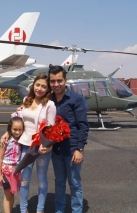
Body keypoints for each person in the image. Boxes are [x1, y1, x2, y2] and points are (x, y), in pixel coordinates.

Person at [0, 74, 56, 213]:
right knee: (24, 179)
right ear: (33, 85)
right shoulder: (26, 100)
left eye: (44, 86)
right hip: (25, 145)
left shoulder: (49, 104)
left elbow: (51, 128)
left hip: (41, 147)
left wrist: (49, 147)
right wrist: (8, 132)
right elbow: (18, 120)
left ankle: (40, 209)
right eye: (38, 85)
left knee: (42, 178)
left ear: (48, 88)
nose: (40, 88)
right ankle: (24, 210)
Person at [48, 64, 90, 213]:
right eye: (52, 81)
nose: (56, 84)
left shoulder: (76, 99)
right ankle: (59, 210)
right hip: (55, 149)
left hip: (72, 149)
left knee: (74, 183)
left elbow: (83, 126)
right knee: (59, 182)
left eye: (59, 80)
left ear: (65, 80)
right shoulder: (48, 99)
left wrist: (79, 149)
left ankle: (76, 210)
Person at [0, 116, 24, 213]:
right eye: (15, 129)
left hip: (15, 172)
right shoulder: (5, 141)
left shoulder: (21, 140)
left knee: (12, 194)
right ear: (10, 129)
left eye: (20, 130)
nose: (17, 132)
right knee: (7, 195)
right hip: (6, 172)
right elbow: (0, 158)